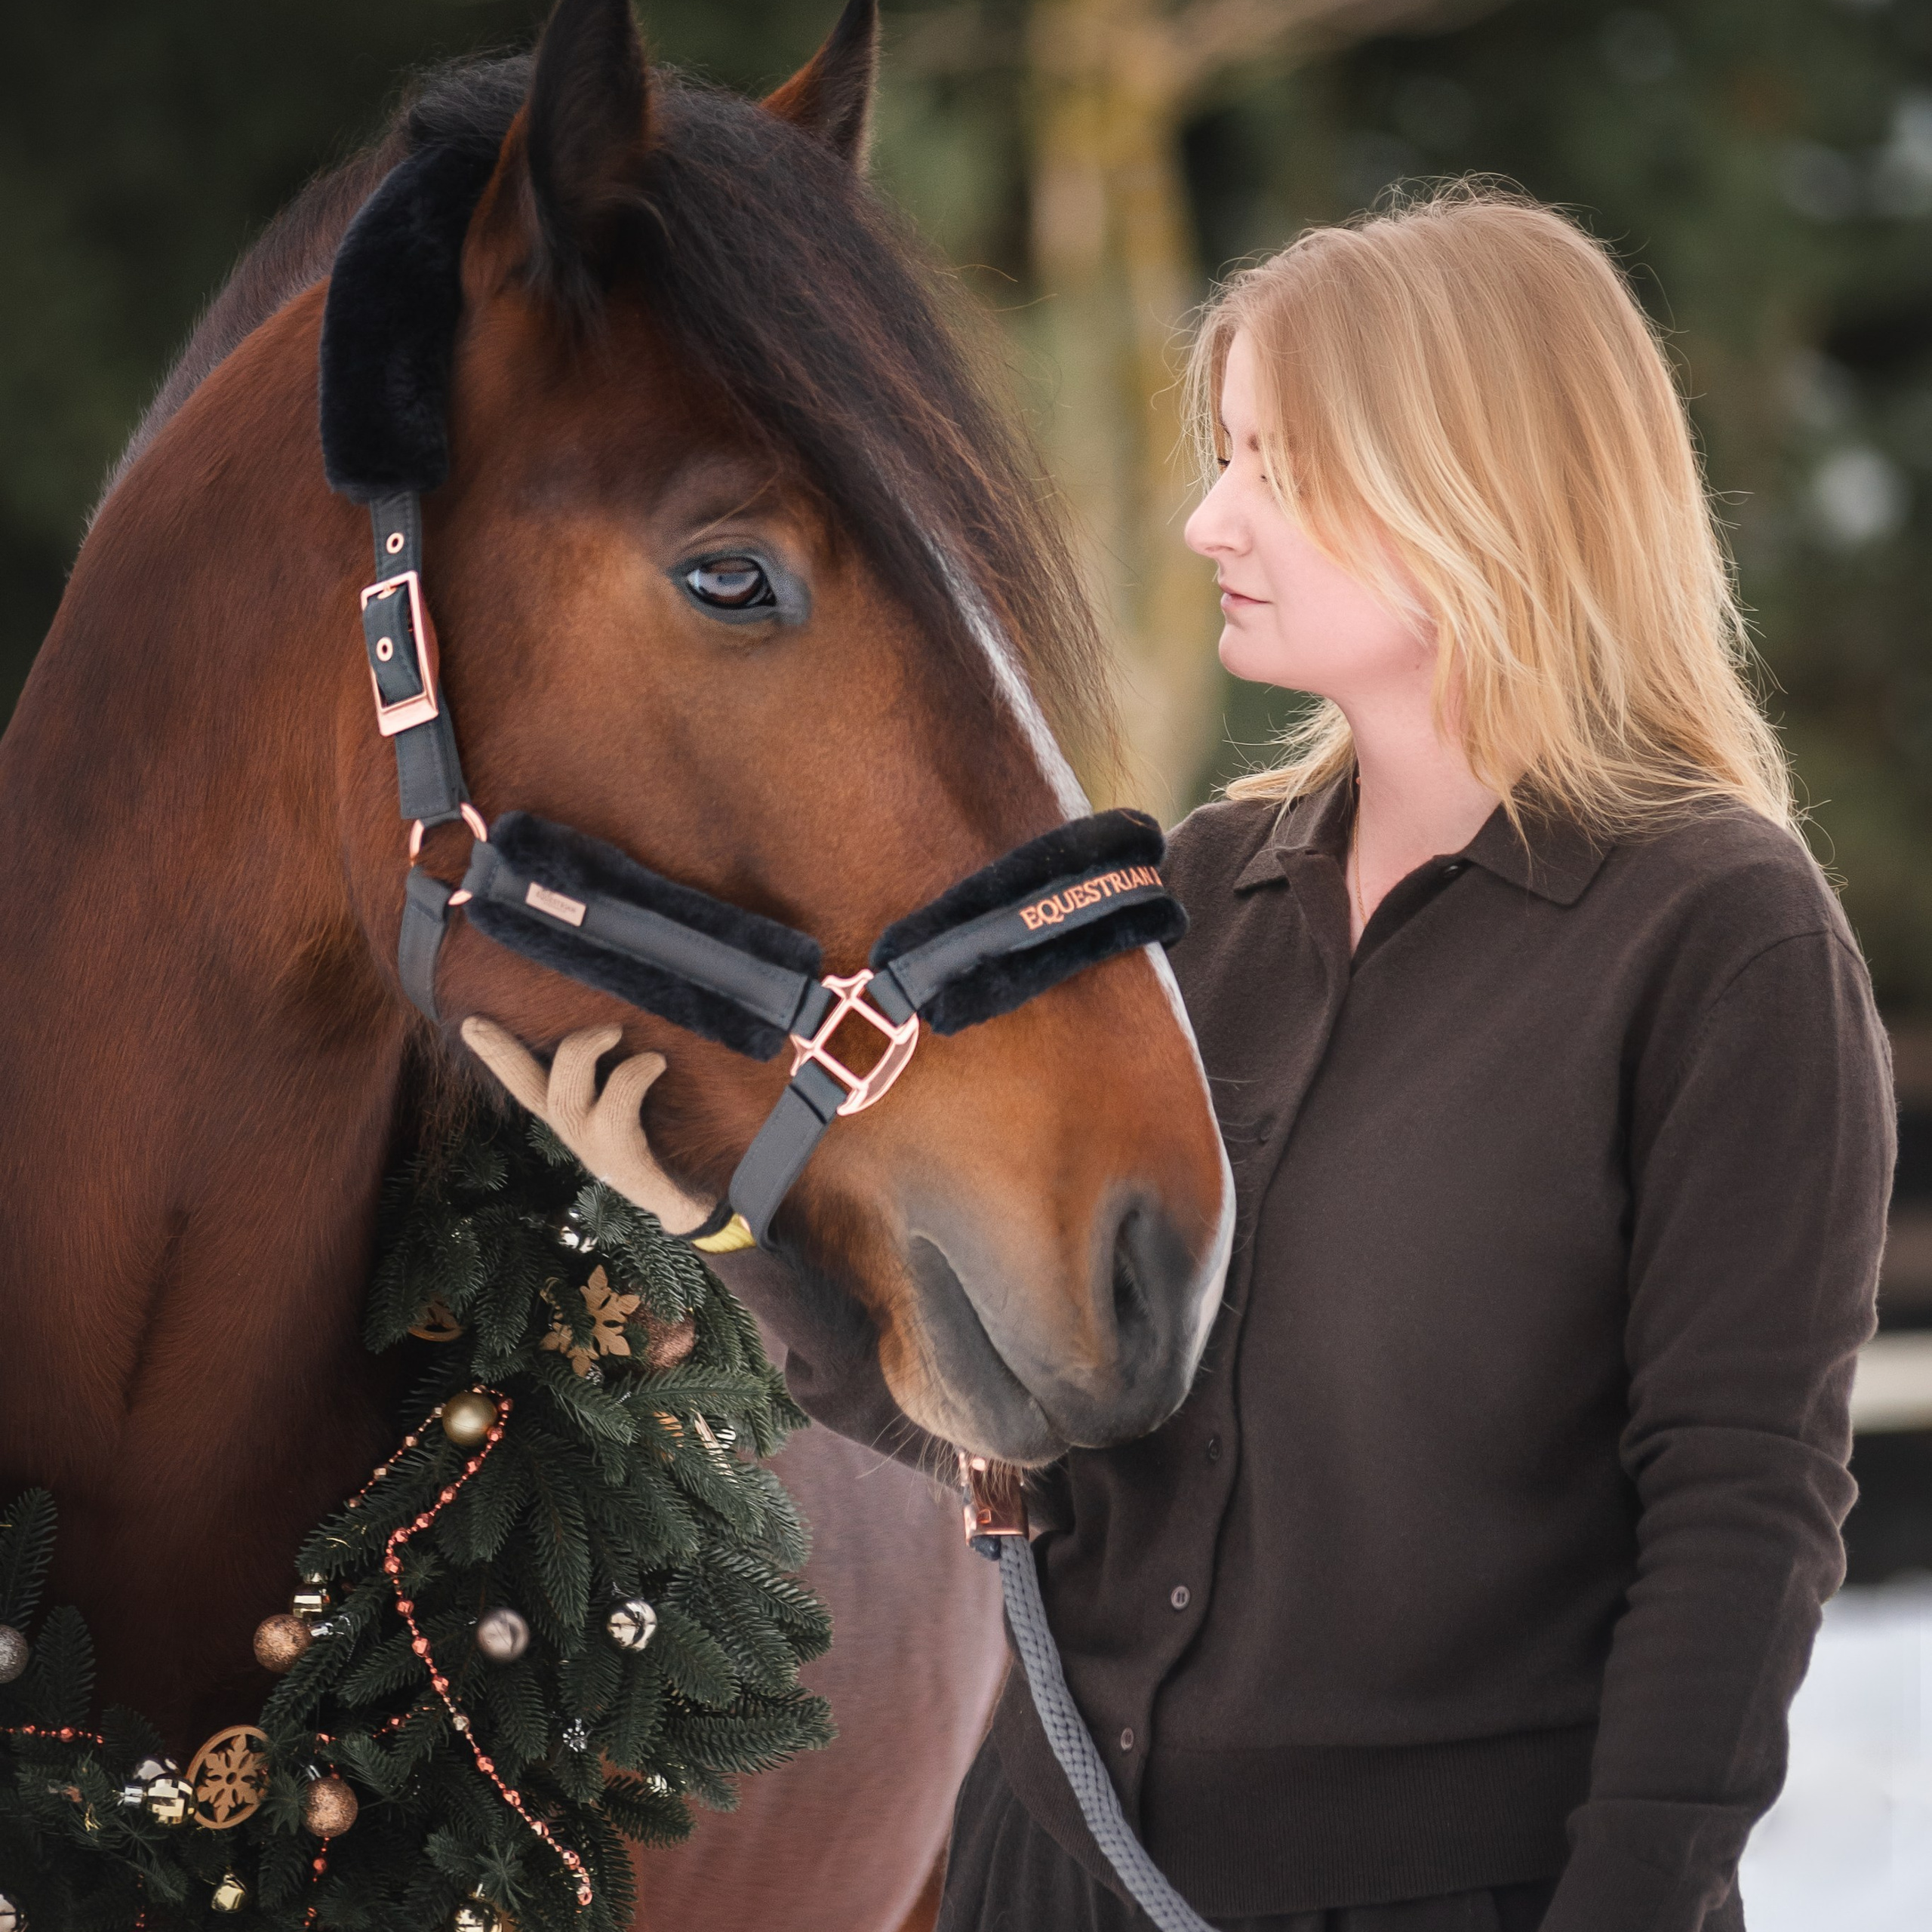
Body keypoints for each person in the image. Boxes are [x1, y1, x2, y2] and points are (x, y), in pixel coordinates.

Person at [468, 183, 1895, 1930]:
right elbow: (1015, 1430)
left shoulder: (1717, 939)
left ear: (1473, 481)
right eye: (1222, 453)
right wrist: (717, 1215)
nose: (1211, 516)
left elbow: (1739, 1522)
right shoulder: (1194, 893)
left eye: (1273, 463)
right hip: (1044, 1872)